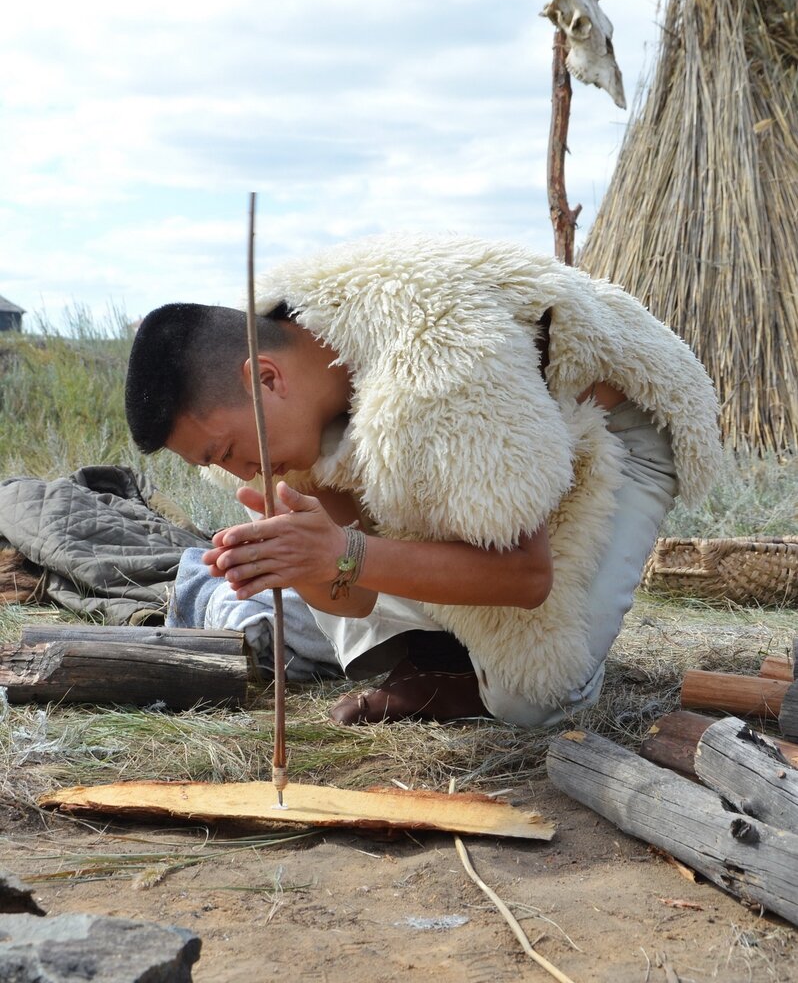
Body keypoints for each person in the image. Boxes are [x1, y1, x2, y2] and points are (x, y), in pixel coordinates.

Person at [125, 233, 721, 729]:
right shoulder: (293, 404)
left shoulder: (441, 359)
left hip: (617, 427)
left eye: (228, 450)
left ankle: (468, 671)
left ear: (265, 378)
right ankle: (441, 657)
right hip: (484, 436)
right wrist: (303, 561)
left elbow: (525, 574)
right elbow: (353, 598)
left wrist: (343, 549)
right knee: (353, 540)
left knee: (533, 700)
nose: (239, 471)